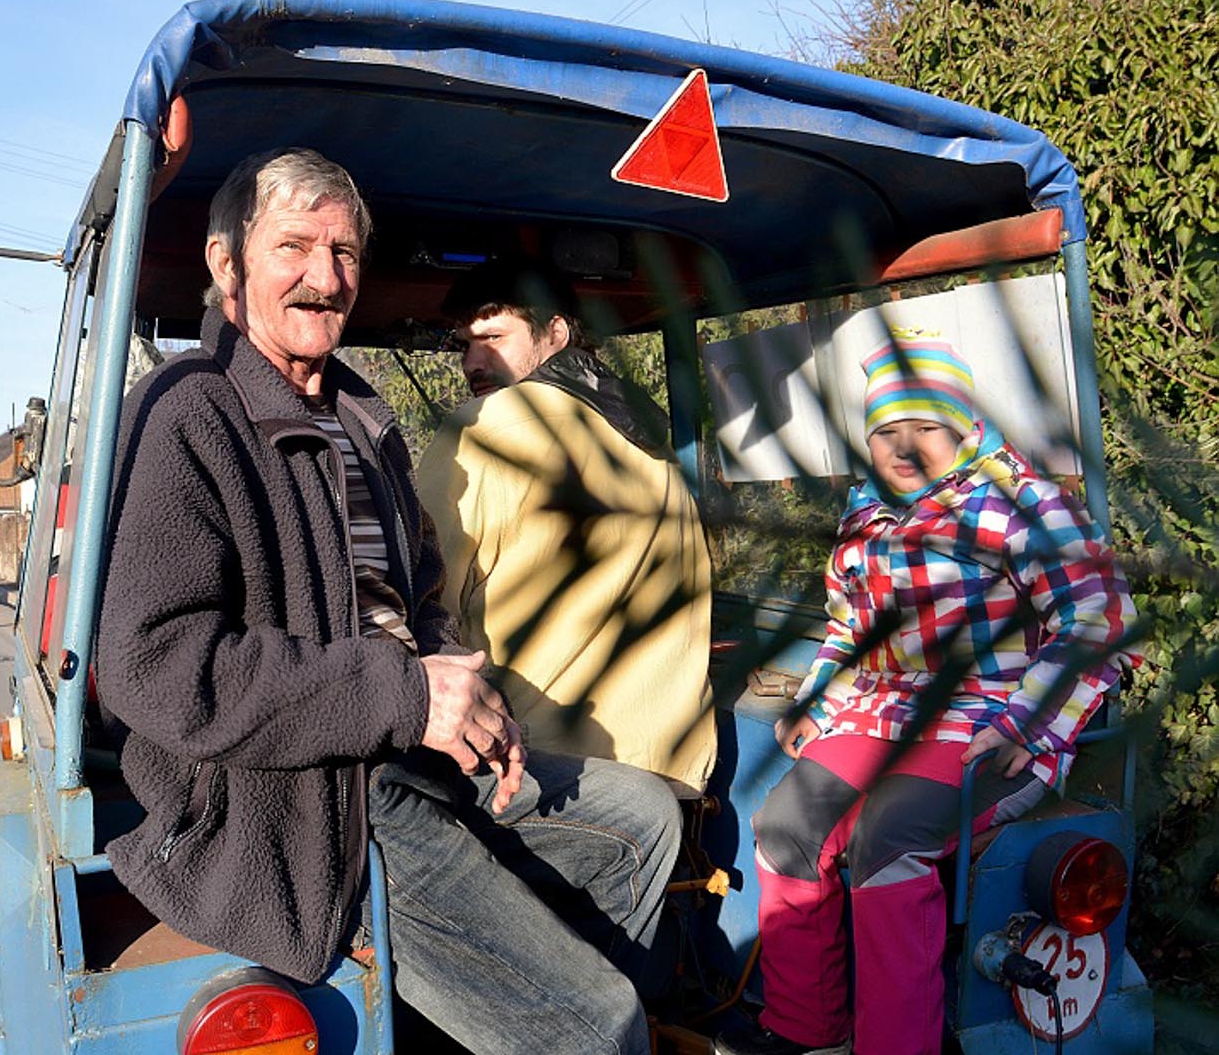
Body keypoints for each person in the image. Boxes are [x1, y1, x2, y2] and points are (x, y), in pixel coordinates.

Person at [95, 149, 681, 1055]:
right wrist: (405, 695)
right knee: (597, 1024)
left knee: (642, 822)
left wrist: (459, 688)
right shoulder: (186, 412)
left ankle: (513, 1013)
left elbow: (421, 592)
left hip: (411, 750)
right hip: (302, 798)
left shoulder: (361, 418)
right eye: (294, 246)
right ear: (226, 263)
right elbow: (157, 668)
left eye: (343, 253)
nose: (326, 278)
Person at [714, 330, 1140, 1055]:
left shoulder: (1021, 505)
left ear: (965, 428)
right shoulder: (867, 517)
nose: (905, 447)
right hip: (880, 715)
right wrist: (817, 701)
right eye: (886, 432)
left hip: (988, 721)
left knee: (889, 838)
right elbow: (849, 627)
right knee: (785, 824)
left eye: (926, 428)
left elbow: (1098, 618)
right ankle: (804, 1027)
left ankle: (895, 1044)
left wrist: (1026, 724)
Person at [417, 257, 716, 794]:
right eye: (465, 345)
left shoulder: (484, 429)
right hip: (674, 770)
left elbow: (422, 595)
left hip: (539, 772)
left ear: (556, 333)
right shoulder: (648, 435)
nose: (472, 362)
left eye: (494, 339)